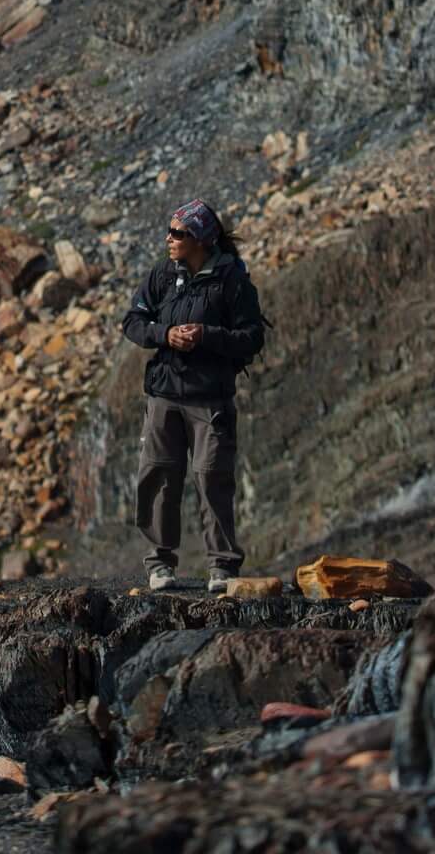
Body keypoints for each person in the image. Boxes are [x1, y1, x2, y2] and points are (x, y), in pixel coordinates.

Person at [121, 199, 266, 592]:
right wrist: (164, 335)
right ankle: (159, 565)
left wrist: (206, 337)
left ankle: (222, 566)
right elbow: (132, 321)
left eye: (177, 234)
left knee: (212, 477)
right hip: (164, 394)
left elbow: (253, 338)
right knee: (159, 475)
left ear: (200, 239)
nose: (168, 239)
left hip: (209, 400)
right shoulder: (163, 275)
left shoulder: (232, 282)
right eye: (169, 232)